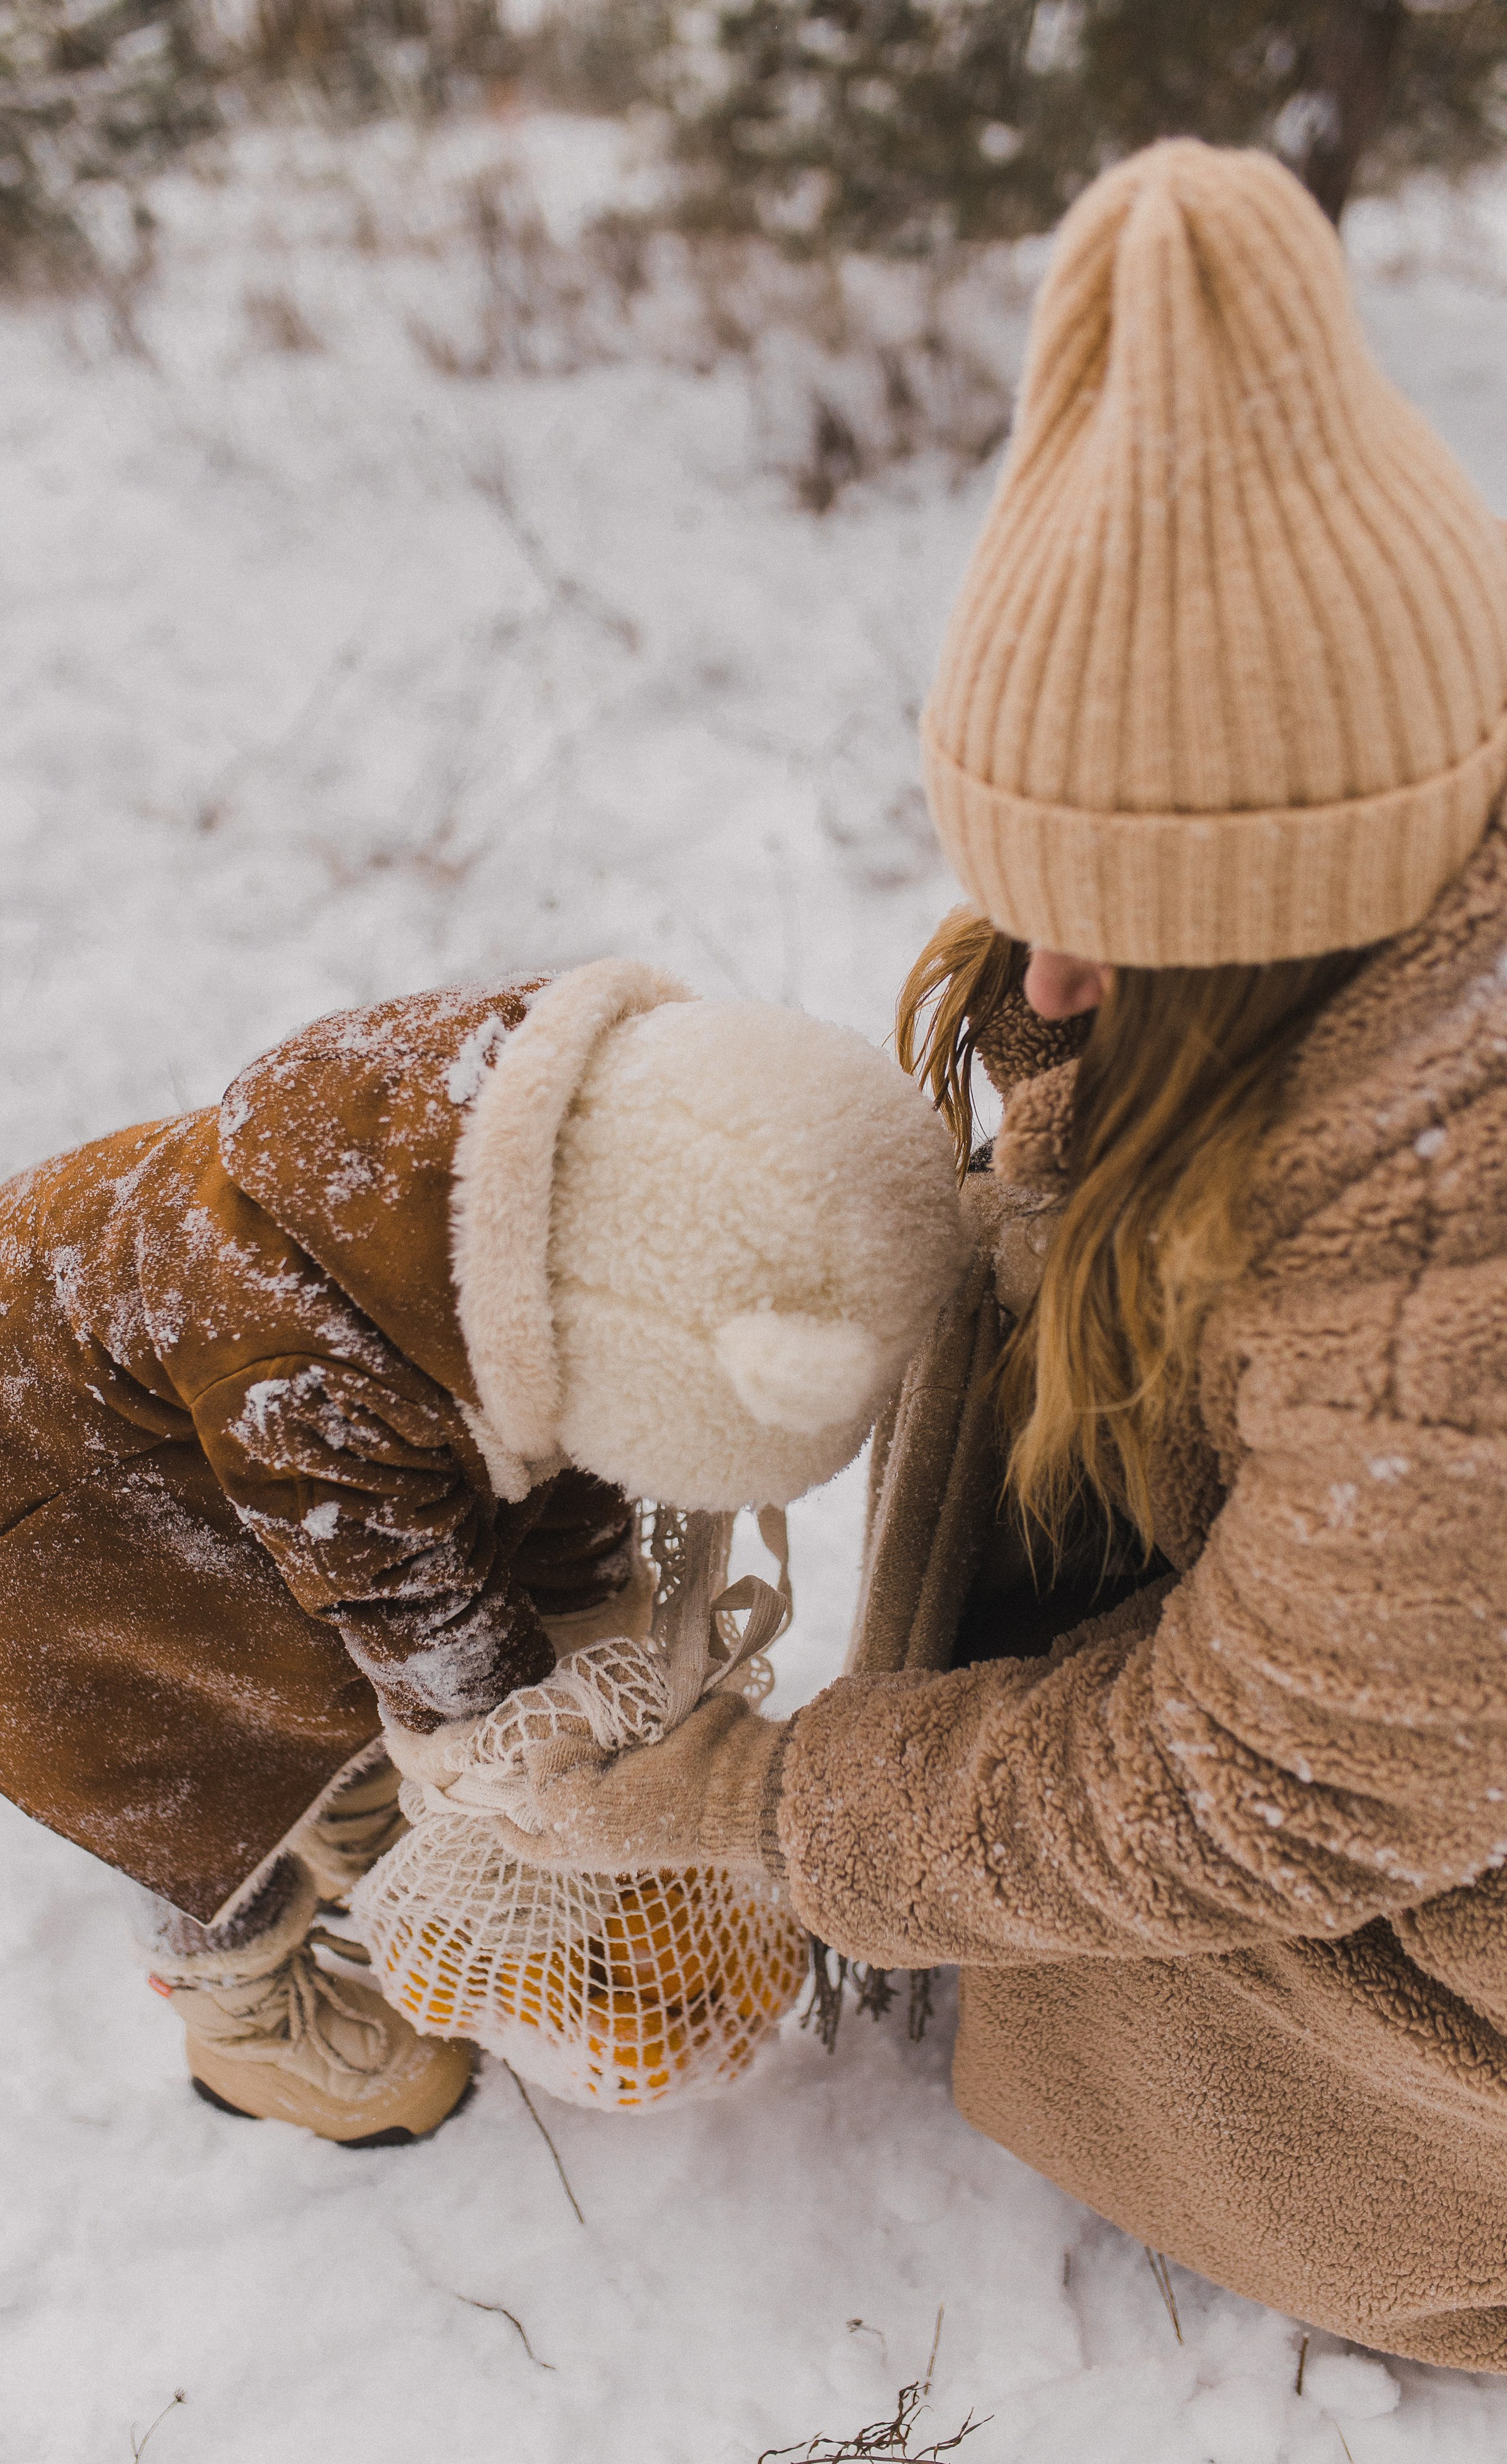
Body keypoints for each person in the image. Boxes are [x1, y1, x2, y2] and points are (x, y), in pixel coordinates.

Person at [487, 141, 1507, 2369]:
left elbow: (1279, 1789)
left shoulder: (1462, 1283)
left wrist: (783, 1809)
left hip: (1445, 1846)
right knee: (1043, 1247)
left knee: (1135, 1951)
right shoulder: (1415, 889)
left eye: (1127, 939)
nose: (1046, 983)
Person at [0, 957, 961, 2144]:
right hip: (21, 1516)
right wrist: (527, 1752)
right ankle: (238, 2011)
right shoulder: (305, 1373)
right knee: (190, 1761)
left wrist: (592, 1614)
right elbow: (424, 1623)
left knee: (320, 1647)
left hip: (187, 1452)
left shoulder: (538, 1160)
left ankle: (343, 1811)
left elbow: (570, 1442)